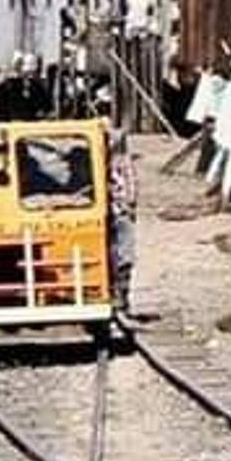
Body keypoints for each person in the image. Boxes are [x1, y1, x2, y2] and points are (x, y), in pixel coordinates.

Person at [97, 90, 139, 314]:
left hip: (119, 209)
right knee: (111, 253)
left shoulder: (121, 158)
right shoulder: (92, 147)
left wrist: (129, 204)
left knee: (123, 254)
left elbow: (130, 183)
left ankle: (121, 296)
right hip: (103, 211)